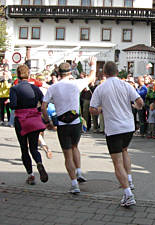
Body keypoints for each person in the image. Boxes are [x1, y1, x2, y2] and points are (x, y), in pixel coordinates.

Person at [89, 61, 144, 207]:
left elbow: (92, 109)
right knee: (125, 150)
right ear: (117, 72)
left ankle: (128, 194)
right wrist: (135, 106)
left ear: (104, 73)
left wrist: (100, 109)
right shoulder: (126, 85)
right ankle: (129, 179)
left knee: (117, 162)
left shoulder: (100, 88)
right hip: (128, 126)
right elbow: (140, 101)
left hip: (114, 128)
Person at [41, 57, 96, 194]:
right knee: (75, 147)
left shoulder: (53, 87)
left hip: (62, 123)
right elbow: (91, 77)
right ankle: (79, 172)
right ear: (70, 72)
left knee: (67, 154)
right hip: (76, 122)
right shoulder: (75, 84)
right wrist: (93, 65)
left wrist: (48, 122)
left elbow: (43, 106)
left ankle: (74, 184)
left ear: (58, 73)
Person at [9, 64, 48, 185]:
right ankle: (39, 163)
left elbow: (13, 105)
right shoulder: (36, 89)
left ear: (18, 75)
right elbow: (43, 102)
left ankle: (31, 175)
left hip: (21, 120)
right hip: (34, 120)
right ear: (28, 74)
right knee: (34, 147)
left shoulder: (15, 89)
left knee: (24, 148)